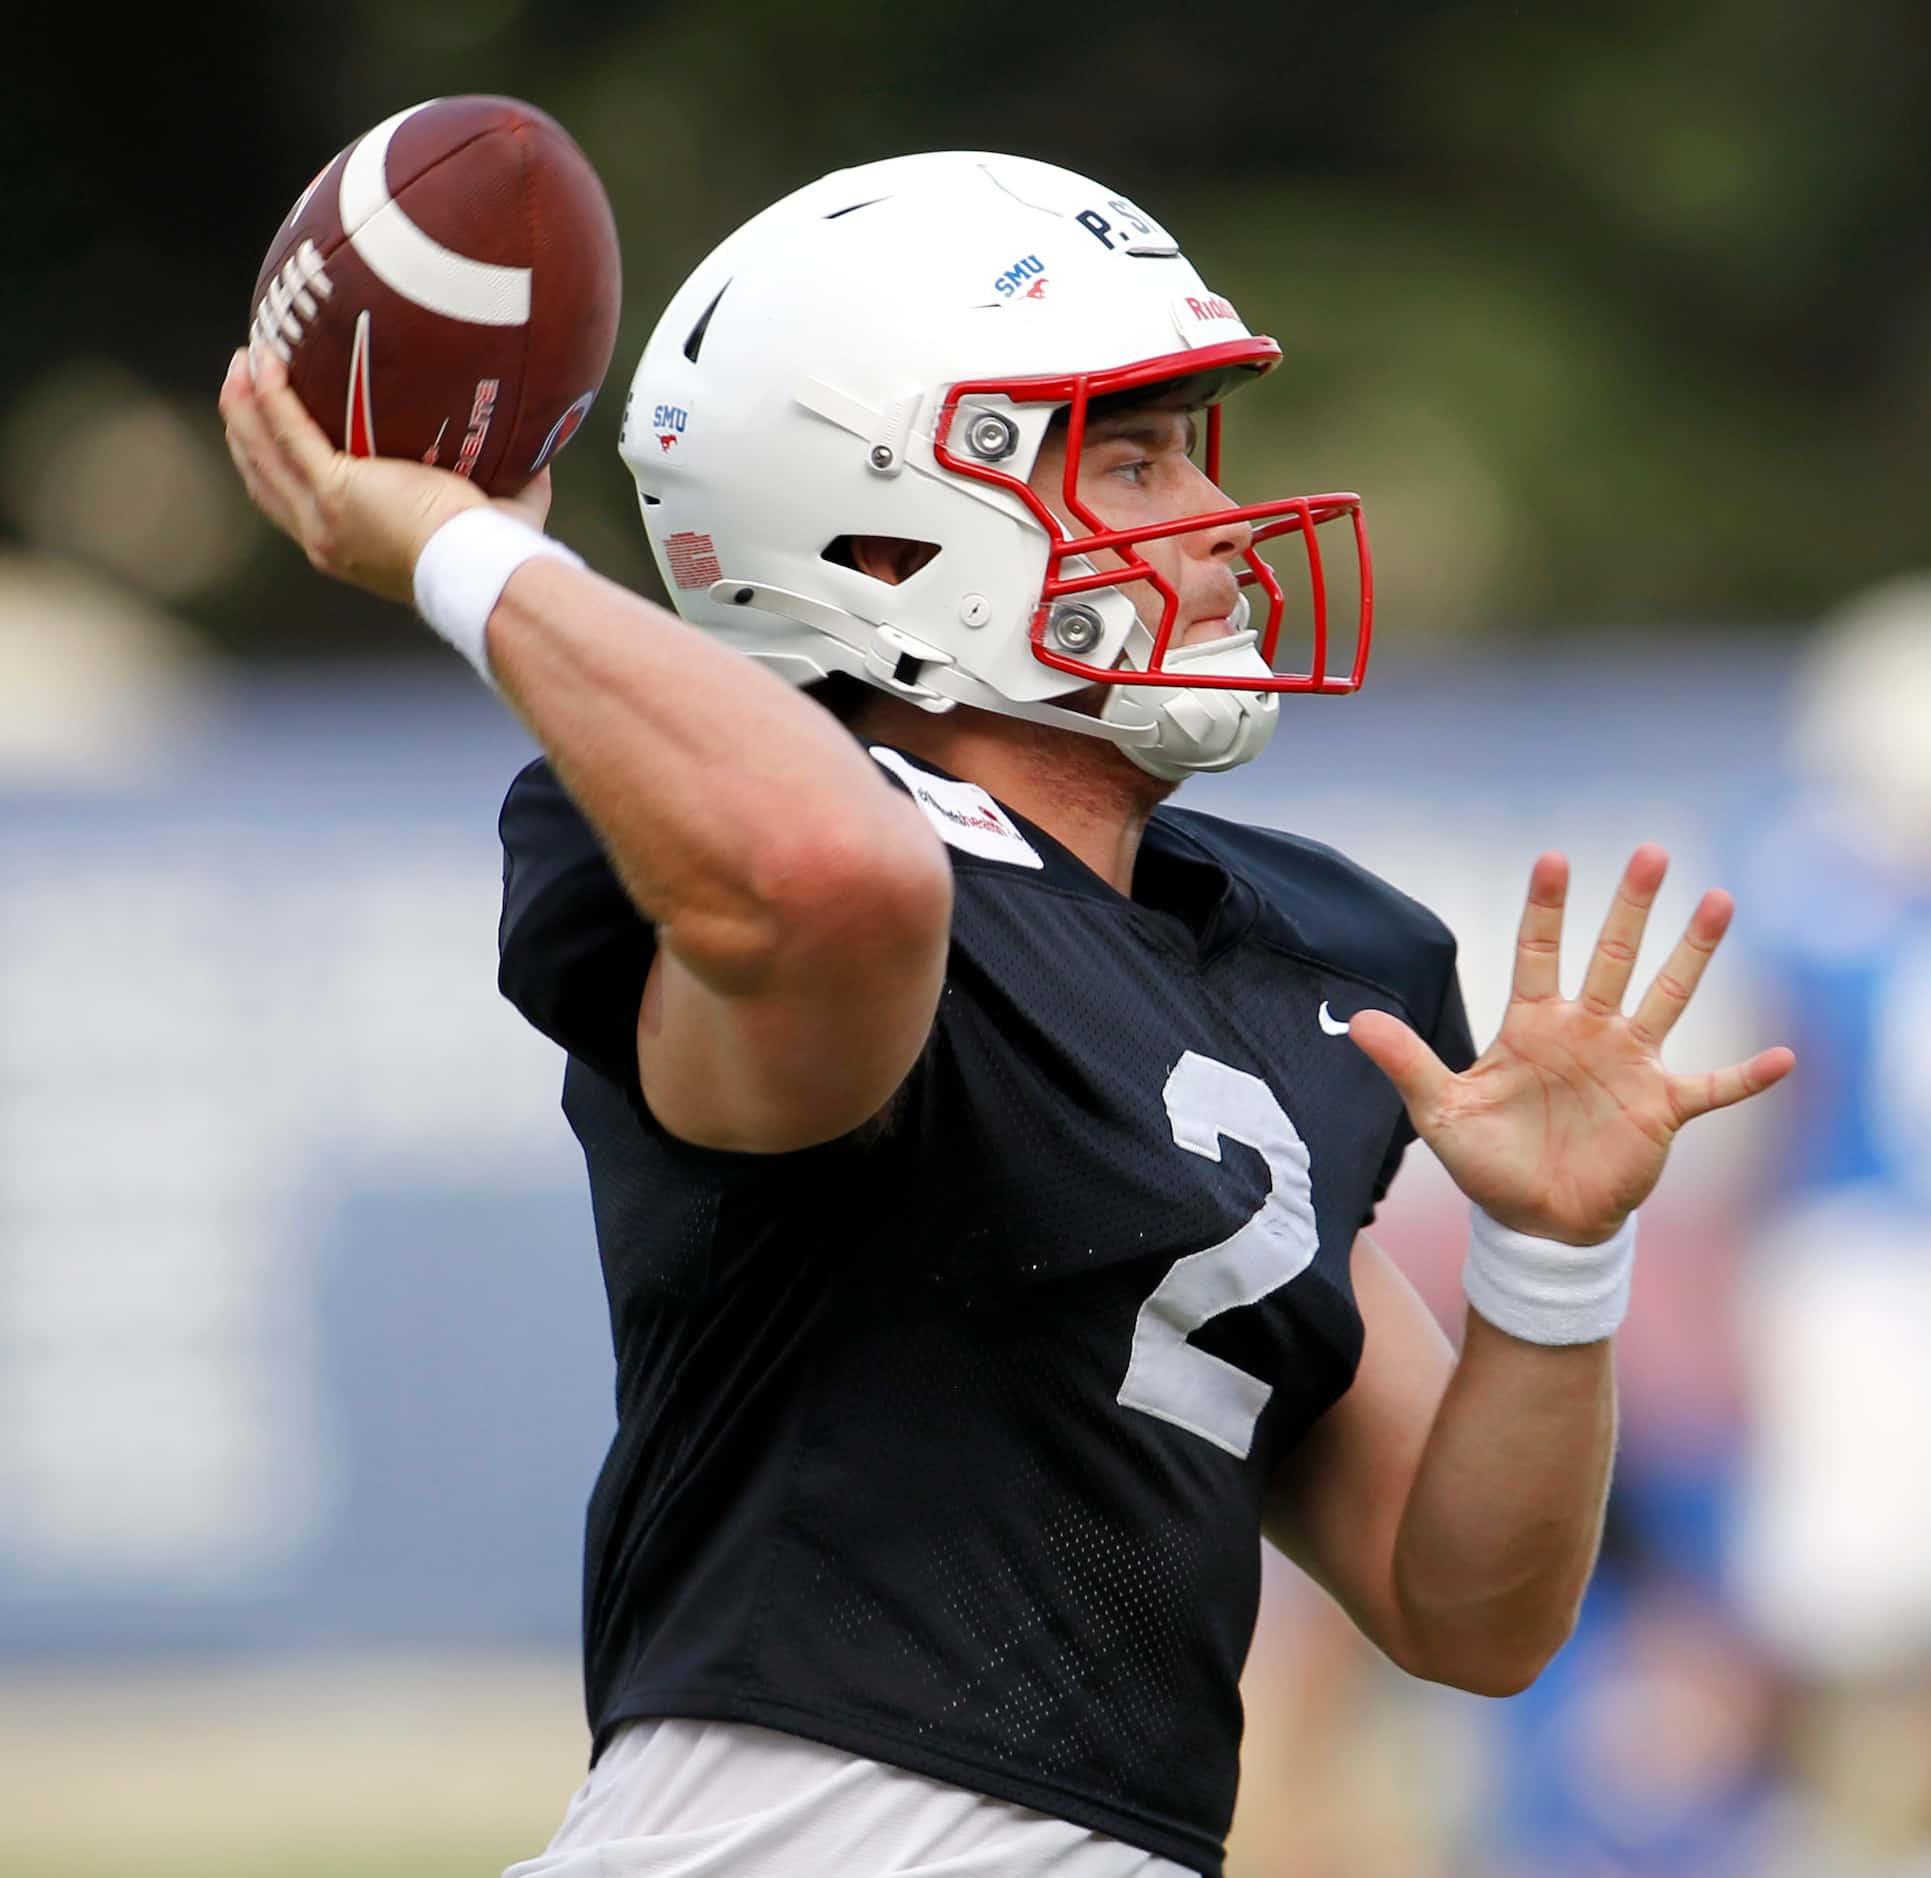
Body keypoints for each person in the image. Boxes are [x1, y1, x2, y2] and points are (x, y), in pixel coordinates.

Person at [218, 149, 1794, 1878]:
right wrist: (464, 553)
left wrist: (1552, 1265)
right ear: (884, 523)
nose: (1207, 525)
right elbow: (838, 870)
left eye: (1193, 450)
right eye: (1129, 457)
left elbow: (1466, 1603)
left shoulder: (1294, 949)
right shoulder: (792, 872)